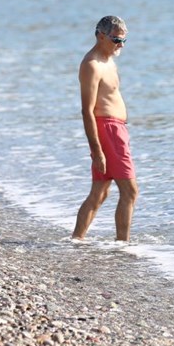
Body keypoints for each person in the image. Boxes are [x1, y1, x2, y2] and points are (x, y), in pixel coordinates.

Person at [72, 15, 138, 241]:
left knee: (100, 192)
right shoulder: (92, 65)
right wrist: (97, 151)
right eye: (116, 40)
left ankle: (77, 240)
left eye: (123, 41)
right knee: (130, 191)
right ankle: (123, 245)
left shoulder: (108, 59)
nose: (120, 45)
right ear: (100, 36)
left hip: (116, 129)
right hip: (108, 131)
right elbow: (87, 111)